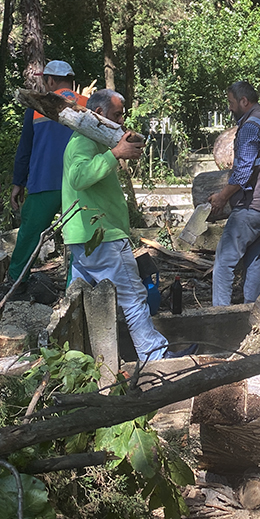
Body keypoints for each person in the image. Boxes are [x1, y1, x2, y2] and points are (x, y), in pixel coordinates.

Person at [62, 88, 185, 360]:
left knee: (81, 302)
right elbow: (79, 177)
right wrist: (115, 153)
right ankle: (156, 357)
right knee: (133, 298)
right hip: (101, 237)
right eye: (116, 116)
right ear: (98, 114)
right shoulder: (84, 140)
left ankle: (76, 360)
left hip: (86, 236)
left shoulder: (90, 140)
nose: (120, 121)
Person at [208, 81, 260, 306]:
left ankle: (220, 317)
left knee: (224, 262)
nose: (229, 108)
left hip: (254, 206)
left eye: (231, 103)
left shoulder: (251, 127)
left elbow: (243, 172)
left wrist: (222, 197)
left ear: (244, 101)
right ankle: (252, 309)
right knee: (254, 257)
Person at [8, 60, 87, 286]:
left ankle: (16, 283)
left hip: (44, 182)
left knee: (30, 234)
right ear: (71, 80)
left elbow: (25, 150)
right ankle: (76, 286)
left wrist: (17, 183)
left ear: (50, 80)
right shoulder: (87, 104)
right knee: (81, 238)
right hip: (80, 182)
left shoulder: (36, 107)